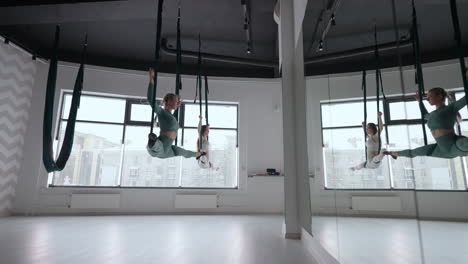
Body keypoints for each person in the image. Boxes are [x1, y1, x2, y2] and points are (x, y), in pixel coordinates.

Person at [384, 87, 468, 159]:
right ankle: (393, 153)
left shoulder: (451, 108)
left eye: (430, 96)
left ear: (440, 96)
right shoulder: (431, 115)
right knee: (414, 152)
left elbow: (465, 99)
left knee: (463, 143)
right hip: (440, 149)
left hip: (455, 145)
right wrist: (419, 101)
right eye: (427, 97)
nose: (427, 99)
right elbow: (424, 115)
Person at [146, 67, 204, 159]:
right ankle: (153, 142)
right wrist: (151, 79)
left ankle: (199, 154)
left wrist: (177, 104)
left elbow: (171, 115)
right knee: (158, 147)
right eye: (176, 101)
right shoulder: (161, 112)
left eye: (178, 102)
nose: (177, 103)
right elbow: (150, 99)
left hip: (168, 149)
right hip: (161, 147)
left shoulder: (170, 116)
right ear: (168, 102)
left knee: (184, 152)